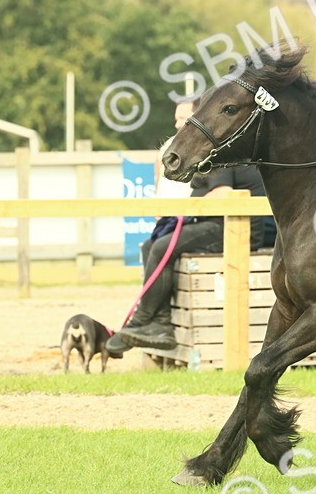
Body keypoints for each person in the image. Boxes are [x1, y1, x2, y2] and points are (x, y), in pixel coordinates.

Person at [107, 99, 268, 354]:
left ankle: (141, 322)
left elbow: (223, 196)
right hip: (218, 224)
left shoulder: (220, 151)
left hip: (235, 229)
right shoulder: (204, 152)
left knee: (161, 247)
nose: (177, 124)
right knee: (151, 246)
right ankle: (159, 324)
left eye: (183, 119)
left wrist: (186, 211)